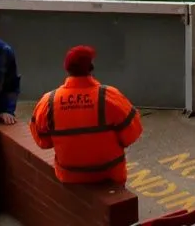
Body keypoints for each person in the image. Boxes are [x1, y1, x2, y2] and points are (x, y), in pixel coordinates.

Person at [29, 45, 143, 186]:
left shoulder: (49, 101)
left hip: (70, 177)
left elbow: (43, 141)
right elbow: (132, 133)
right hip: (109, 176)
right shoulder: (109, 96)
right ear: (91, 67)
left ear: (67, 69)